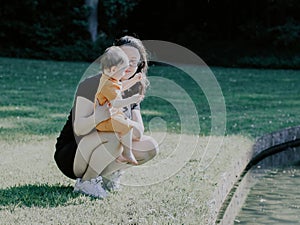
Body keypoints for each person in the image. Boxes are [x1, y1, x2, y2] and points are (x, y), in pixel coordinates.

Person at [54, 36, 158, 198]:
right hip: (74, 153)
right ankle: (87, 182)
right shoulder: (92, 85)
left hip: (106, 148)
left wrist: (122, 121)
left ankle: (107, 176)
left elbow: (138, 132)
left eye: (134, 61)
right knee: (114, 134)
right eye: (124, 59)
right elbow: (79, 128)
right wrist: (99, 116)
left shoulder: (129, 90)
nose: (129, 66)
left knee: (150, 146)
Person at [95, 46, 144, 165]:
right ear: (113, 69)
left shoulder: (109, 79)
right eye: (123, 70)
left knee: (126, 128)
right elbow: (116, 103)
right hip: (104, 120)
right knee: (127, 127)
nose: (124, 74)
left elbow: (121, 87)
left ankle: (122, 155)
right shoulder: (108, 85)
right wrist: (132, 99)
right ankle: (126, 154)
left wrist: (134, 80)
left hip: (110, 117)